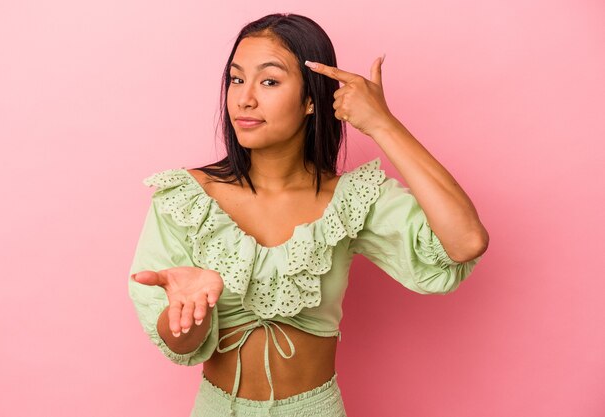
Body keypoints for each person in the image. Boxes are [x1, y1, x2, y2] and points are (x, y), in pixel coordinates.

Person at [128, 12, 488, 417]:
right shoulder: (187, 198)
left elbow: (466, 242)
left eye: (269, 81)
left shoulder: (350, 200)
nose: (244, 98)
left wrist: (383, 125)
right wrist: (189, 314)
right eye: (236, 79)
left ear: (311, 99)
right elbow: (181, 346)